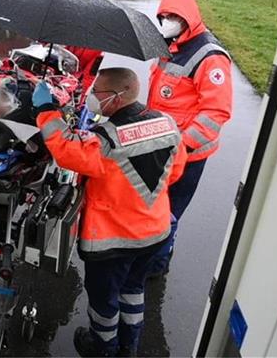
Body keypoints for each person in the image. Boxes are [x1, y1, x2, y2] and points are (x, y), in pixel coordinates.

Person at [32, 68, 187, 357]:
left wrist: (45, 110)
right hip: (155, 234)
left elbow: (65, 150)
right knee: (133, 289)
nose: (92, 96)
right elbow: (175, 172)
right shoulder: (168, 124)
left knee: (104, 302)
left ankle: (101, 347)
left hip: (113, 242)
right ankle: (129, 346)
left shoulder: (105, 140)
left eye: (97, 92)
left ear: (116, 98)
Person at [146, 0, 233, 276]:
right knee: (153, 210)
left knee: (168, 214)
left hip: (188, 155)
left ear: (188, 17)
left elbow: (215, 113)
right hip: (163, 147)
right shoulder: (171, 44)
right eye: (163, 16)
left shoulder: (210, 57)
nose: (167, 21)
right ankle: (152, 256)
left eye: (173, 16)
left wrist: (182, 146)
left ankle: (156, 268)